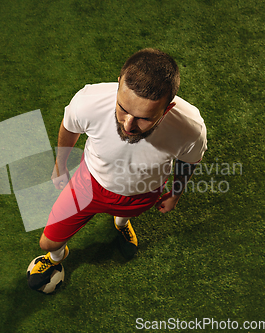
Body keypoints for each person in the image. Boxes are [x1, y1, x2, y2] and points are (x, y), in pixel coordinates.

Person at [28, 48, 207, 290]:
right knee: (48, 243)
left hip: (144, 192)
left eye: (143, 118)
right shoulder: (89, 101)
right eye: (123, 108)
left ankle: (120, 225)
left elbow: (189, 162)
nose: (128, 125)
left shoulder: (190, 129)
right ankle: (55, 260)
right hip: (88, 184)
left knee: (126, 216)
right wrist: (60, 165)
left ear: (167, 109)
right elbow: (70, 127)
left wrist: (176, 193)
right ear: (119, 82)